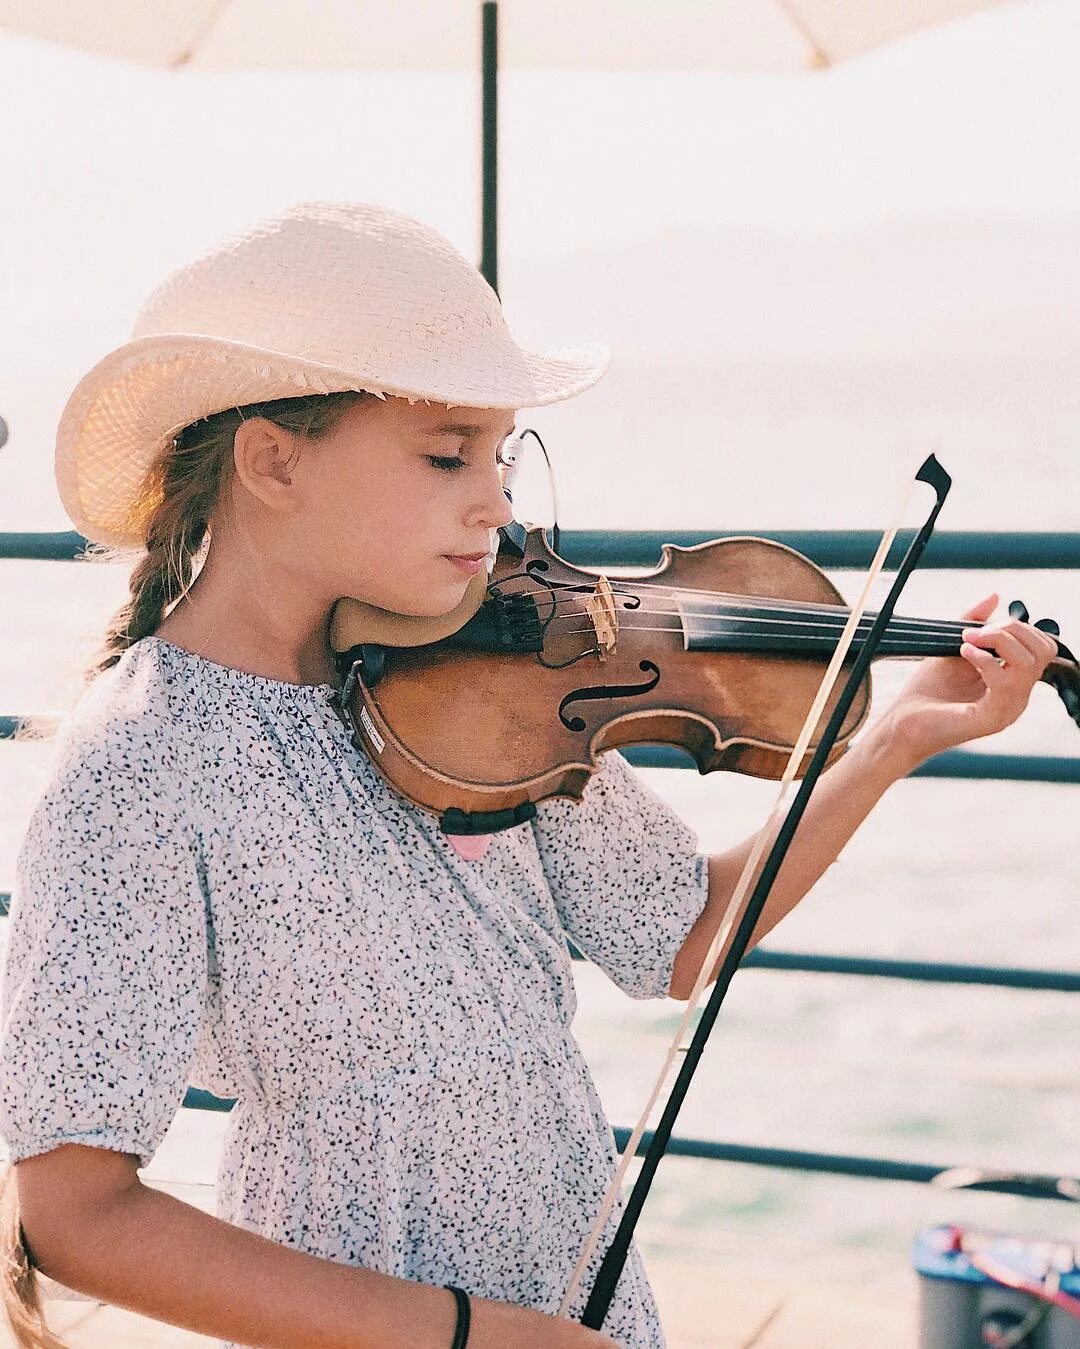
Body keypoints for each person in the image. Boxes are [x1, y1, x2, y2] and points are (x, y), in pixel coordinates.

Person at [0, 201, 1056, 1349]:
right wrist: (476, 1333)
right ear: (273, 462)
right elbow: (76, 1214)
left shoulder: (488, 677)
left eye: (501, 458)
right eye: (449, 454)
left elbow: (683, 930)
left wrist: (890, 738)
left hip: (587, 1308)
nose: (497, 503)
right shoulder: (143, 759)